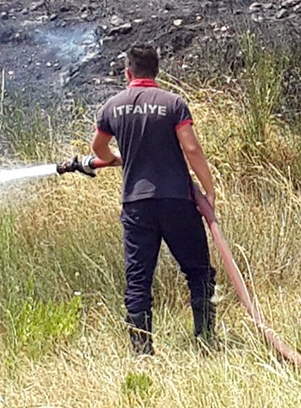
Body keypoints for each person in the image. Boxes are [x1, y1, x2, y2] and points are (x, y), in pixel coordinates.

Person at [88, 43, 217, 356]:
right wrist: (208, 189)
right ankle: (205, 343)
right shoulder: (173, 103)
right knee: (199, 272)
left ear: (128, 72)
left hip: (136, 205)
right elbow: (191, 149)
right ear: (156, 71)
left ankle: (142, 353)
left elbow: (98, 150)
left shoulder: (112, 106)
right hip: (178, 201)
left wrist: (119, 158)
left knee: (138, 280)